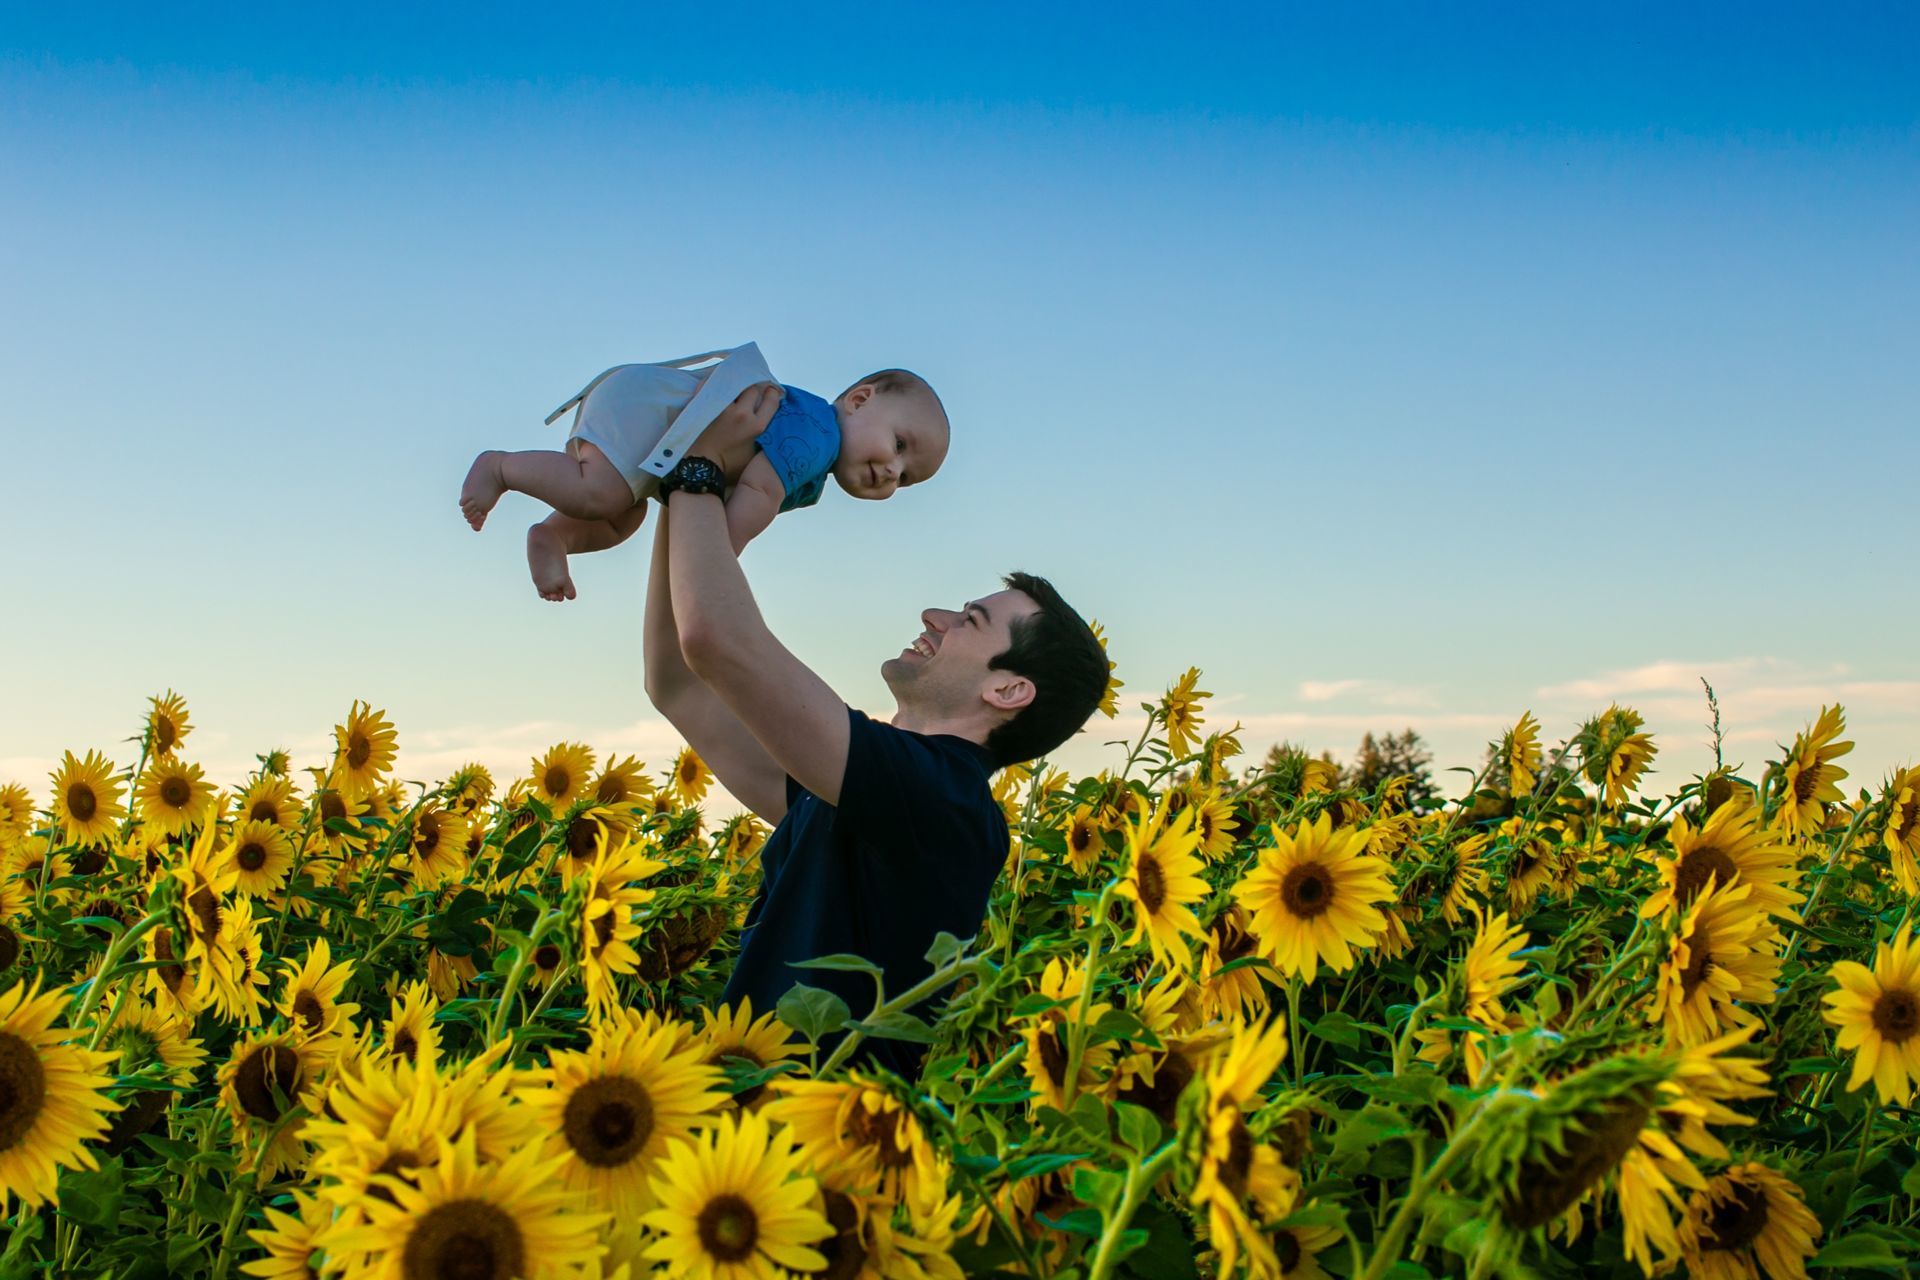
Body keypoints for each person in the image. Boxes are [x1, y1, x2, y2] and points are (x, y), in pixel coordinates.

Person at [643, 390, 1108, 1075]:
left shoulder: (947, 805)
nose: (934, 616)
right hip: (749, 1127)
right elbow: (678, 683)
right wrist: (682, 476)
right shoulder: (853, 792)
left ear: (1008, 690)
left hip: (826, 1132)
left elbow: (717, 640)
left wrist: (701, 467)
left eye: (970, 621)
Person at [458, 345, 950, 600]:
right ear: (860, 399)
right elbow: (757, 492)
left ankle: (554, 536)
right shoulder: (817, 433)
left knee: (623, 516)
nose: (893, 470)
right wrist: (717, 556)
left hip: (657, 419)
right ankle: (500, 467)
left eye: (907, 478)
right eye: (899, 445)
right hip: (656, 411)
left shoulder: (814, 454)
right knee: (603, 493)